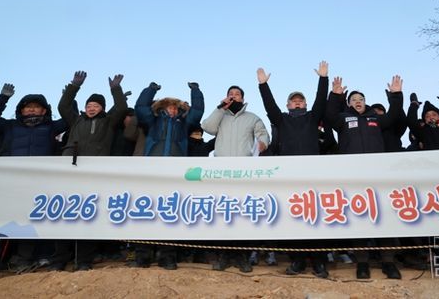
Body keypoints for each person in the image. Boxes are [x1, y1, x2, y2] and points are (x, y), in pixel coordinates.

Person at [0, 84, 68, 278]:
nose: (32, 110)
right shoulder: (10, 126)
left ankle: (22, 260)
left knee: (29, 222)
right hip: (6, 182)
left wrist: (68, 97)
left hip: (37, 183)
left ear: (44, 111)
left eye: (36, 107)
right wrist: (2, 98)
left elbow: (69, 119)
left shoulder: (51, 127)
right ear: (21, 110)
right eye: (28, 107)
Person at [325, 75, 405, 280]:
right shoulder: (343, 119)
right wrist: (335, 96)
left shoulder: (375, 119)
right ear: (348, 104)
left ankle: (388, 261)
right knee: (359, 217)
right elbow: (329, 115)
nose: (358, 101)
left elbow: (394, 115)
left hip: (379, 177)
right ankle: (362, 262)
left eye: (361, 99)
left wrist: (396, 95)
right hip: (353, 178)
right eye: (353, 99)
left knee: (384, 216)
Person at [49, 71, 129, 271]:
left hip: (94, 174)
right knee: (64, 215)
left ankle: (84, 260)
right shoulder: (76, 120)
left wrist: (116, 89)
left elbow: (121, 107)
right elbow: (63, 106)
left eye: (96, 106)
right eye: (89, 106)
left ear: (102, 108)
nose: (92, 108)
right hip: (71, 171)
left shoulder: (108, 121)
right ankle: (59, 260)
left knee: (88, 216)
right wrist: (74, 86)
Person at [257, 61, 330, 277]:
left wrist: (323, 79)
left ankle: (319, 262)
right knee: (295, 218)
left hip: (313, 175)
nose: (297, 103)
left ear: (305, 104)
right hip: (290, 176)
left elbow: (321, 101)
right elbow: (269, 106)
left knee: (315, 217)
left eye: (301, 100)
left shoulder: (312, 118)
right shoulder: (281, 120)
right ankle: (297, 260)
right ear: (288, 105)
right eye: (293, 101)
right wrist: (263, 85)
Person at [133, 80, 205, 269]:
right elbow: (140, 108)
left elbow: (197, 112)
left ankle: (167, 256)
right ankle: (142, 255)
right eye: (169, 107)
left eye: (175, 108)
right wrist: (150, 90)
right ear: (162, 109)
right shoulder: (153, 121)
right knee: (147, 212)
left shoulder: (184, 123)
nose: (172, 110)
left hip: (174, 173)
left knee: (169, 214)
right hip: (152, 171)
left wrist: (196, 91)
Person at [202, 85, 270, 273]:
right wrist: (220, 108)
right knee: (224, 212)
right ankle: (224, 254)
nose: (233, 96)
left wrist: (263, 142)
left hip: (243, 173)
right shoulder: (220, 116)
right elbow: (207, 127)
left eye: (237, 94)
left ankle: (242, 256)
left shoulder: (252, 118)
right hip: (222, 172)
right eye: (230, 94)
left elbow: (263, 134)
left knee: (241, 214)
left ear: (242, 99)